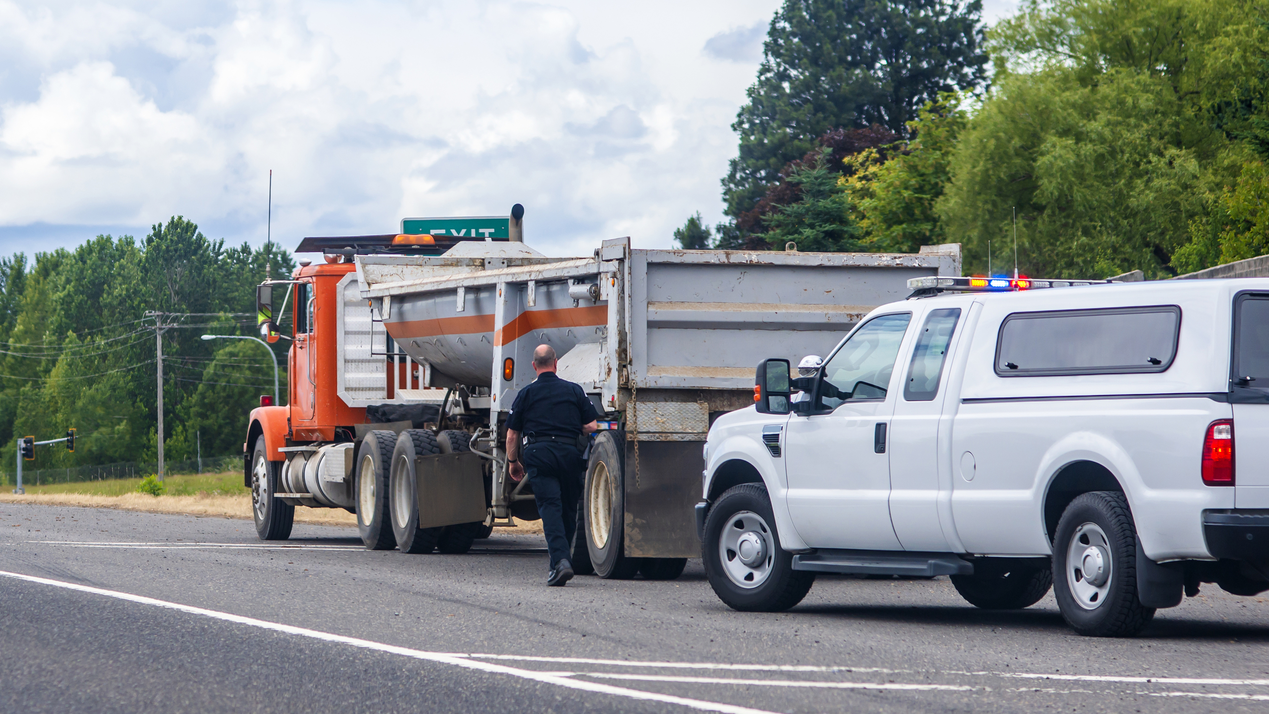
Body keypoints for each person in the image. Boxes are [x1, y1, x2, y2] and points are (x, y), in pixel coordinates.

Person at [506, 344, 599, 586]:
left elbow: (512, 434)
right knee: (568, 509)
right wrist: (570, 427)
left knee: (550, 507)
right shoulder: (574, 390)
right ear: (556, 363)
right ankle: (560, 562)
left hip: (540, 453)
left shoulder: (526, 393)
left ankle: (560, 562)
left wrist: (513, 462)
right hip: (569, 453)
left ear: (534, 366)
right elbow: (592, 426)